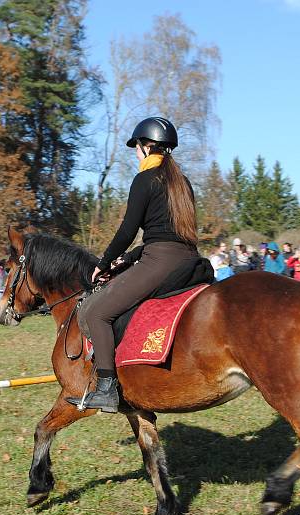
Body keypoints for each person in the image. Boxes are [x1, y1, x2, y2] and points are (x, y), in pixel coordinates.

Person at [68, 117, 200, 413]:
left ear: (146, 147)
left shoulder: (145, 179)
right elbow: (172, 233)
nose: (135, 153)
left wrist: (103, 263)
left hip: (160, 260)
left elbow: (128, 230)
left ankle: (106, 389)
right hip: (188, 259)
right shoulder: (183, 183)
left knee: (96, 312)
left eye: (136, 147)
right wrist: (130, 258)